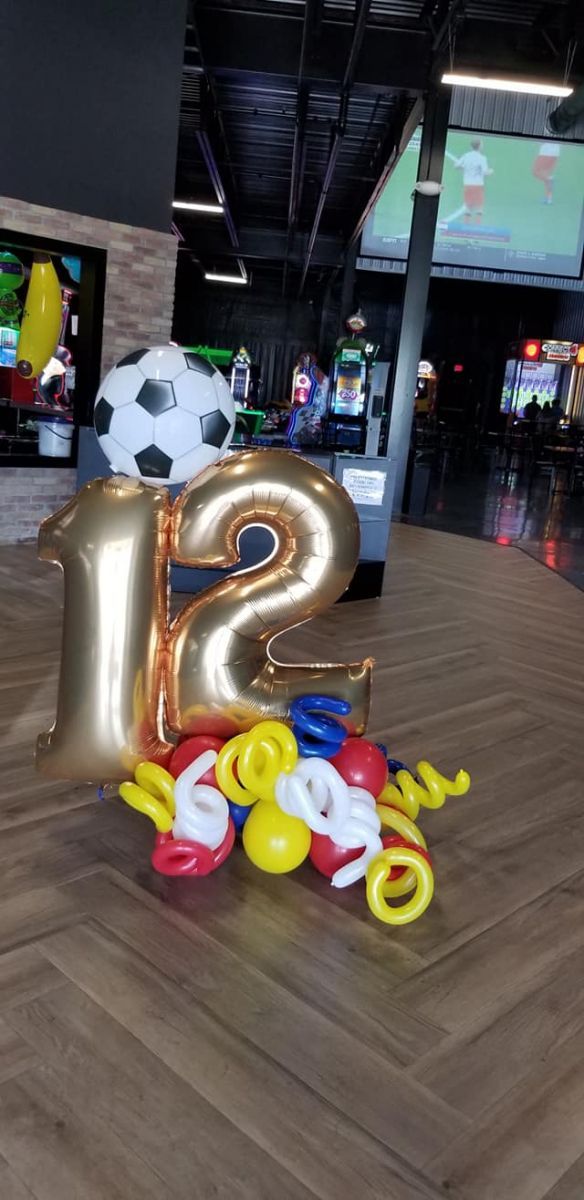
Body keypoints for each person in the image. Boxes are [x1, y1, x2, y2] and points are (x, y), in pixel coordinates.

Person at [454, 138, 493, 225]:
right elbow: (485, 172)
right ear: (479, 146)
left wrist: (465, 168)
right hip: (478, 185)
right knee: (479, 207)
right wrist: (491, 171)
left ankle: (466, 227)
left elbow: (456, 165)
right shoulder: (482, 158)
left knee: (468, 206)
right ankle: (477, 227)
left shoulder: (466, 155)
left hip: (467, 184)